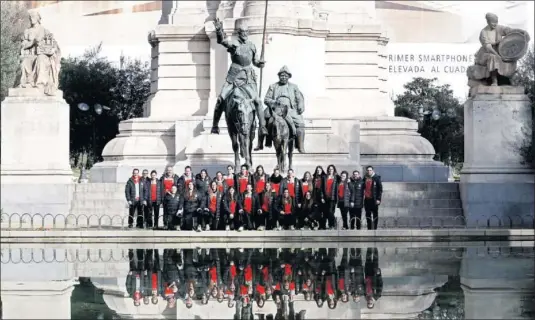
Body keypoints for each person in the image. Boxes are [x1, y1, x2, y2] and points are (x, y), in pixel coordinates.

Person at [210, 19, 267, 139]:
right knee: (221, 99)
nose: (245, 34)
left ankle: (263, 126)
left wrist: (260, 63)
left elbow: (255, 61)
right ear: (238, 33)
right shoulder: (234, 44)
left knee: (257, 101)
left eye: (246, 31)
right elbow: (222, 41)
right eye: (242, 32)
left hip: (248, 78)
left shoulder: (252, 46)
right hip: (233, 77)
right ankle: (215, 125)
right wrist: (219, 30)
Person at [256, 65, 306, 153]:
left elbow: (299, 98)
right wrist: (275, 102)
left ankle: (300, 146)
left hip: (289, 109)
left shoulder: (294, 87)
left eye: (285, 76)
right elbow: (266, 99)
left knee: (300, 123)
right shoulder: (273, 86)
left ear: (288, 77)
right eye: (282, 76)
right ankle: (260, 143)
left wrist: (301, 105)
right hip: (275, 109)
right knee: (262, 120)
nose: (283, 77)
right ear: (279, 76)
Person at [362, 166, 383, 230]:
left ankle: (375, 228)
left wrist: (378, 199)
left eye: (370, 170)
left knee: (375, 214)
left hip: (374, 199)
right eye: (368, 170)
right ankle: (369, 228)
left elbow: (380, 189)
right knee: (367, 214)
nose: (369, 171)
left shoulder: (376, 178)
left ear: (373, 170)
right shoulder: (365, 178)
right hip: (367, 199)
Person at [323, 165, 338, 230]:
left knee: (331, 212)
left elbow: (344, 178)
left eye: (331, 169)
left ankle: (332, 225)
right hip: (326, 197)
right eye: (329, 169)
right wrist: (322, 197)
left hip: (332, 198)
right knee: (326, 212)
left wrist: (349, 180)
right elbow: (322, 188)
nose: (330, 170)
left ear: (334, 170)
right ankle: (331, 224)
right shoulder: (325, 177)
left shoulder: (336, 177)